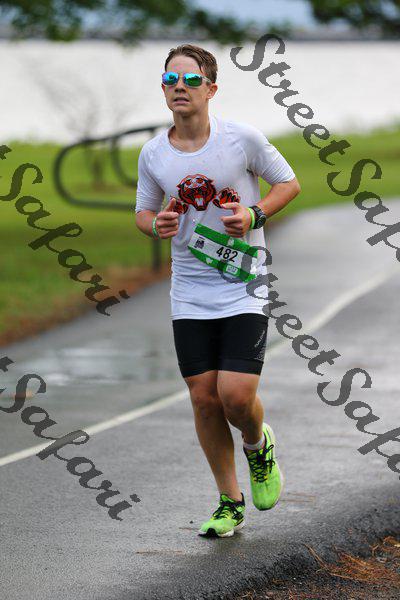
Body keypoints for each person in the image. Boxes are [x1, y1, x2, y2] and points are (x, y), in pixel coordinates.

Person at [135, 44, 301, 538]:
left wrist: (254, 214)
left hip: (243, 282)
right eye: (170, 80)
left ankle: (257, 444)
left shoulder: (241, 139)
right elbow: (143, 211)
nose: (179, 88)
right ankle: (230, 501)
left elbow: (288, 184)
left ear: (210, 88)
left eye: (190, 80)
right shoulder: (154, 153)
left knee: (235, 395)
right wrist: (156, 224)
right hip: (189, 290)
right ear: (163, 88)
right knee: (204, 399)